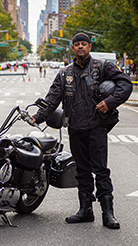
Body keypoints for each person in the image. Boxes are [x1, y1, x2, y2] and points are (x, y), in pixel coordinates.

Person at [30, 33, 133, 229]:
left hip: (97, 127)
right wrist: (37, 117)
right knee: (82, 172)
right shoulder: (64, 74)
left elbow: (125, 83)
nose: (80, 47)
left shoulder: (103, 67)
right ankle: (85, 210)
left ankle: (108, 213)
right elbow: (52, 100)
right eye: (77, 44)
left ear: (89, 46)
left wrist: (110, 102)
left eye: (83, 44)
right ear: (72, 47)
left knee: (101, 170)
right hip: (75, 128)